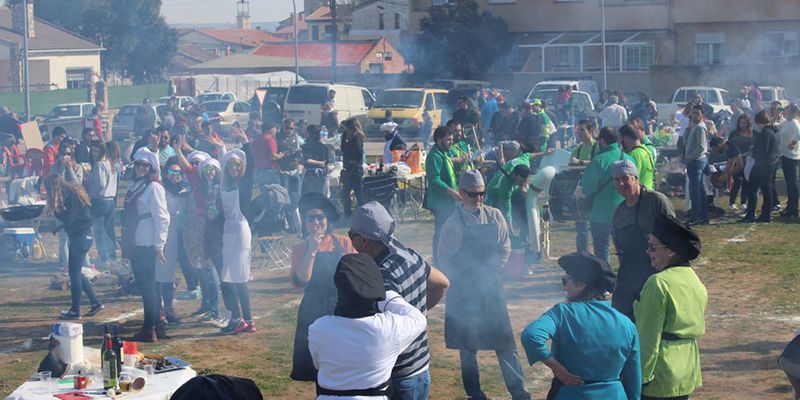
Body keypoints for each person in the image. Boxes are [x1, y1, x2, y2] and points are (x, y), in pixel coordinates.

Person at [437, 170, 531, 400]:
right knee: (467, 349)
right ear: (460, 193)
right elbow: (444, 259)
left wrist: (492, 272)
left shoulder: (495, 216)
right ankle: (475, 395)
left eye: (482, 194)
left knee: (505, 344)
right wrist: (465, 279)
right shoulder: (452, 225)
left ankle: (519, 393)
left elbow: (505, 247)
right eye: (472, 194)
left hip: (490, 289)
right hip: (463, 293)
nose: (478, 199)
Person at [349, 201, 450, 398]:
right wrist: (419, 314)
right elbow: (442, 283)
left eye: (352, 235)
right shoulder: (410, 255)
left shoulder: (379, 276)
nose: (350, 239)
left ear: (365, 241)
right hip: (421, 367)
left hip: (399, 375)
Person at [520, 252, 641, 400]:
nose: (564, 288)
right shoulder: (626, 323)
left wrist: (557, 368)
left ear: (581, 285)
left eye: (565, 280)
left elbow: (531, 336)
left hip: (570, 394)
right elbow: (633, 376)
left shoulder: (562, 312)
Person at [308, 254, 427, 399]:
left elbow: (318, 364)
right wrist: (388, 295)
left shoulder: (318, 328)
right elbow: (419, 319)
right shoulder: (389, 329)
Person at [636, 215, 708, 400]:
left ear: (670, 251)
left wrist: (640, 377)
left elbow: (648, 337)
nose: (647, 251)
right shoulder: (694, 280)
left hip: (660, 374)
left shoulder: (658, 283)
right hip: (686, 371)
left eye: (653, 247)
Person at [290, 193, 356, 382]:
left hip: (341, 310)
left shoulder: (344, 243)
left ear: (327, 219)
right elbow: (302, 281)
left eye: (320, 217)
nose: (316, 222)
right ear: (305, 222)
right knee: (316, 369)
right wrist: (312, 249)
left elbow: (356, 277)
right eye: (311, 218)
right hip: (312, 313)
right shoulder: (300, 249)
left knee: (342, 365)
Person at [611, 159, 675, 319]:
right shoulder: (619, 213)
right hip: (630, 271)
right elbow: (620, 248)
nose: (621, 183)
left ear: (635, 178)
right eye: (617, 180)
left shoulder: (656, 201)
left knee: (654, 316)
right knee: (621, 314)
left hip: (656, 270)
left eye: (625, 178)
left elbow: (675, 234)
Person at [125, 147, 170, 342]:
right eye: (138, 165)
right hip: (137, 239)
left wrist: (159, 244)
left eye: (145, 165)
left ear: (150, 167)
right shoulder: (138, 185)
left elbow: (162, 217)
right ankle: (155, 325)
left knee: (148, 286)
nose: (141, 168)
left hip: (147, 242)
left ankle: (150, 326)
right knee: (146, 286)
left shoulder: (153, 187)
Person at [46, 174, 104, 320]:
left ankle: (75, 310)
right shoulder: (73, 192)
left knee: (74, 274)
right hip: (84, 236)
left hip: (80, 238)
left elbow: (71, 218)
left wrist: (57, 213)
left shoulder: (69, 196)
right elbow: (77, 217)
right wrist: (60, 227)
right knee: (76, 272)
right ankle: (95, 303)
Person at [218, 128, 256, 334]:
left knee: (236, 278)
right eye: (231, 165)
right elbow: (222, 165)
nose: (233, 168)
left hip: (240, 231)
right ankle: (247, 320)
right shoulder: (227, 184)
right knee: (234, 278)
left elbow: (252, 169)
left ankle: (238, 319)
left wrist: (246, 143)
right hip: (229, 231)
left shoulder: (244, 184)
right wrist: (221, 148)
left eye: (237, 165)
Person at [576, 127, 632, 263]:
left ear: (602, 140)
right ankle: (627, 279)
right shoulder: (629, 159)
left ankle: (606, 280)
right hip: (625, 212)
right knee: (625, 250)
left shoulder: (598, 160)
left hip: (600, 214)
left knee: (602, 251)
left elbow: (587, 188)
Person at [156, 158, 191, 330]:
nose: (175, 176)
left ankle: (168, 308)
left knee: (170, 274)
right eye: (171, 172)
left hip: (180, 234)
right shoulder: (161, 189)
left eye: (178, 172)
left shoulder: (186, 189)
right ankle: (160, 309)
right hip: (165, 234)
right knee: (162, 271)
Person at [424, 127, 460, 266]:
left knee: (450, 230)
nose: (451, 142)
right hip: (441, 202)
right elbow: (434, 179)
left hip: (450, 201)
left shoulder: (443, 153)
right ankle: (438, 260)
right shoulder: (434, 156)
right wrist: (453, 192)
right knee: (441, 230)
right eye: (448, 140)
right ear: (439, 140)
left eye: (452, 139)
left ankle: (448, 257)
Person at [741, 110, 780, 223]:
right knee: (767, 190)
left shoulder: (765, 133)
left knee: (752, 189)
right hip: (770, 165)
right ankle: (766, 214)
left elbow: (763, 151)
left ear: (759, 122)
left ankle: (750, 214)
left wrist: (753, 152)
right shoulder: (771, 131)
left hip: (761, 166)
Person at [85, 140, 118, 268]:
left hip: (99, 200)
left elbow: (100, 185)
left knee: (99, 232)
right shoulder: (110, 163)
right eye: (92, 151)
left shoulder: (100, 164)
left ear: (102, 150)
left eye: (96, 151)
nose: (93, 154)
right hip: (110, 200)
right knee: (105, 231)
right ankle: (110, 256)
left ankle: (104, 259)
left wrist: (88, 197)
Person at [684, 105, 709, 225]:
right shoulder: (694, 126)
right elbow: (685, 142)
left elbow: (701, 147)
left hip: (696, 161)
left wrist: (690, 158)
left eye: (697, 113)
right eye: (693, 113)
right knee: (699, 189)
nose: (694, 115)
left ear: (702, 115)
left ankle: (696, 217)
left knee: (695, 191)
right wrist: (688, 129)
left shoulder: (700, 127)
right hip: (695, 160)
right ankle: (703, 215)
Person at [725, 114, 754, 211]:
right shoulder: (734, 134)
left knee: (746, 182)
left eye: (744, 123)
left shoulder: (752, 134)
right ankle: (732, 202)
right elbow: (729, 146)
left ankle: (743, 202)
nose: (742, 125)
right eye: (741, 123)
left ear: (748, 124)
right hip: (736, 162)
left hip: (748, 161)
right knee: (737, 181)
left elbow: (754, 145)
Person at [340, 118, 365, 218]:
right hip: (348, 168)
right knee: (345, 193)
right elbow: (342, 148)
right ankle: (347, 213)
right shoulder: (347, 137)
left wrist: (353, 162)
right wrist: (344, 136)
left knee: (358, 192)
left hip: (355, 169)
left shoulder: (357, 137)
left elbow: (359, 153)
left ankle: (362, 213)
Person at [779, 104, 800, 217]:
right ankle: (789, 206)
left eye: (786, 110)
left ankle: (793, 209)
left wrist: (793, 143)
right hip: (785, 155)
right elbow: (778, 127)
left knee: (792, 184)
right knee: (789, 183)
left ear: (791, 112)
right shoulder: (786, 122)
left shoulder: (794, 122)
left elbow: (799, 133)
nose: (784, 112)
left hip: (792, 157)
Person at [619, 124, 655, 190]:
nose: (621, 143)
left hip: (640, 195)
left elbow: (631, 180)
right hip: (649, 192)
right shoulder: (646, 150)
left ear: (626, 138)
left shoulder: (633, 155)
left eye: (621, 139)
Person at [301, 125, 332, 196]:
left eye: (306, 132)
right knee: (319, 195)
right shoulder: (324, 146)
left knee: (309, 195)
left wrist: (320, 163)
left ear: (310, 133)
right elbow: (327, 162)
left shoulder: (306, 146)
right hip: (322, 174)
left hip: (310, 174)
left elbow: (308, 160)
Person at [252, 121, 283, 187]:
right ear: (270, 129)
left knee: (264, 194)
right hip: (269, 172)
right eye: (275, 129)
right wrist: (282, 155)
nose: (276, 131)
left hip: (258, 171)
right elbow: (273, 156)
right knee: (275, 193)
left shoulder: (256, 139)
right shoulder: (270, 140)